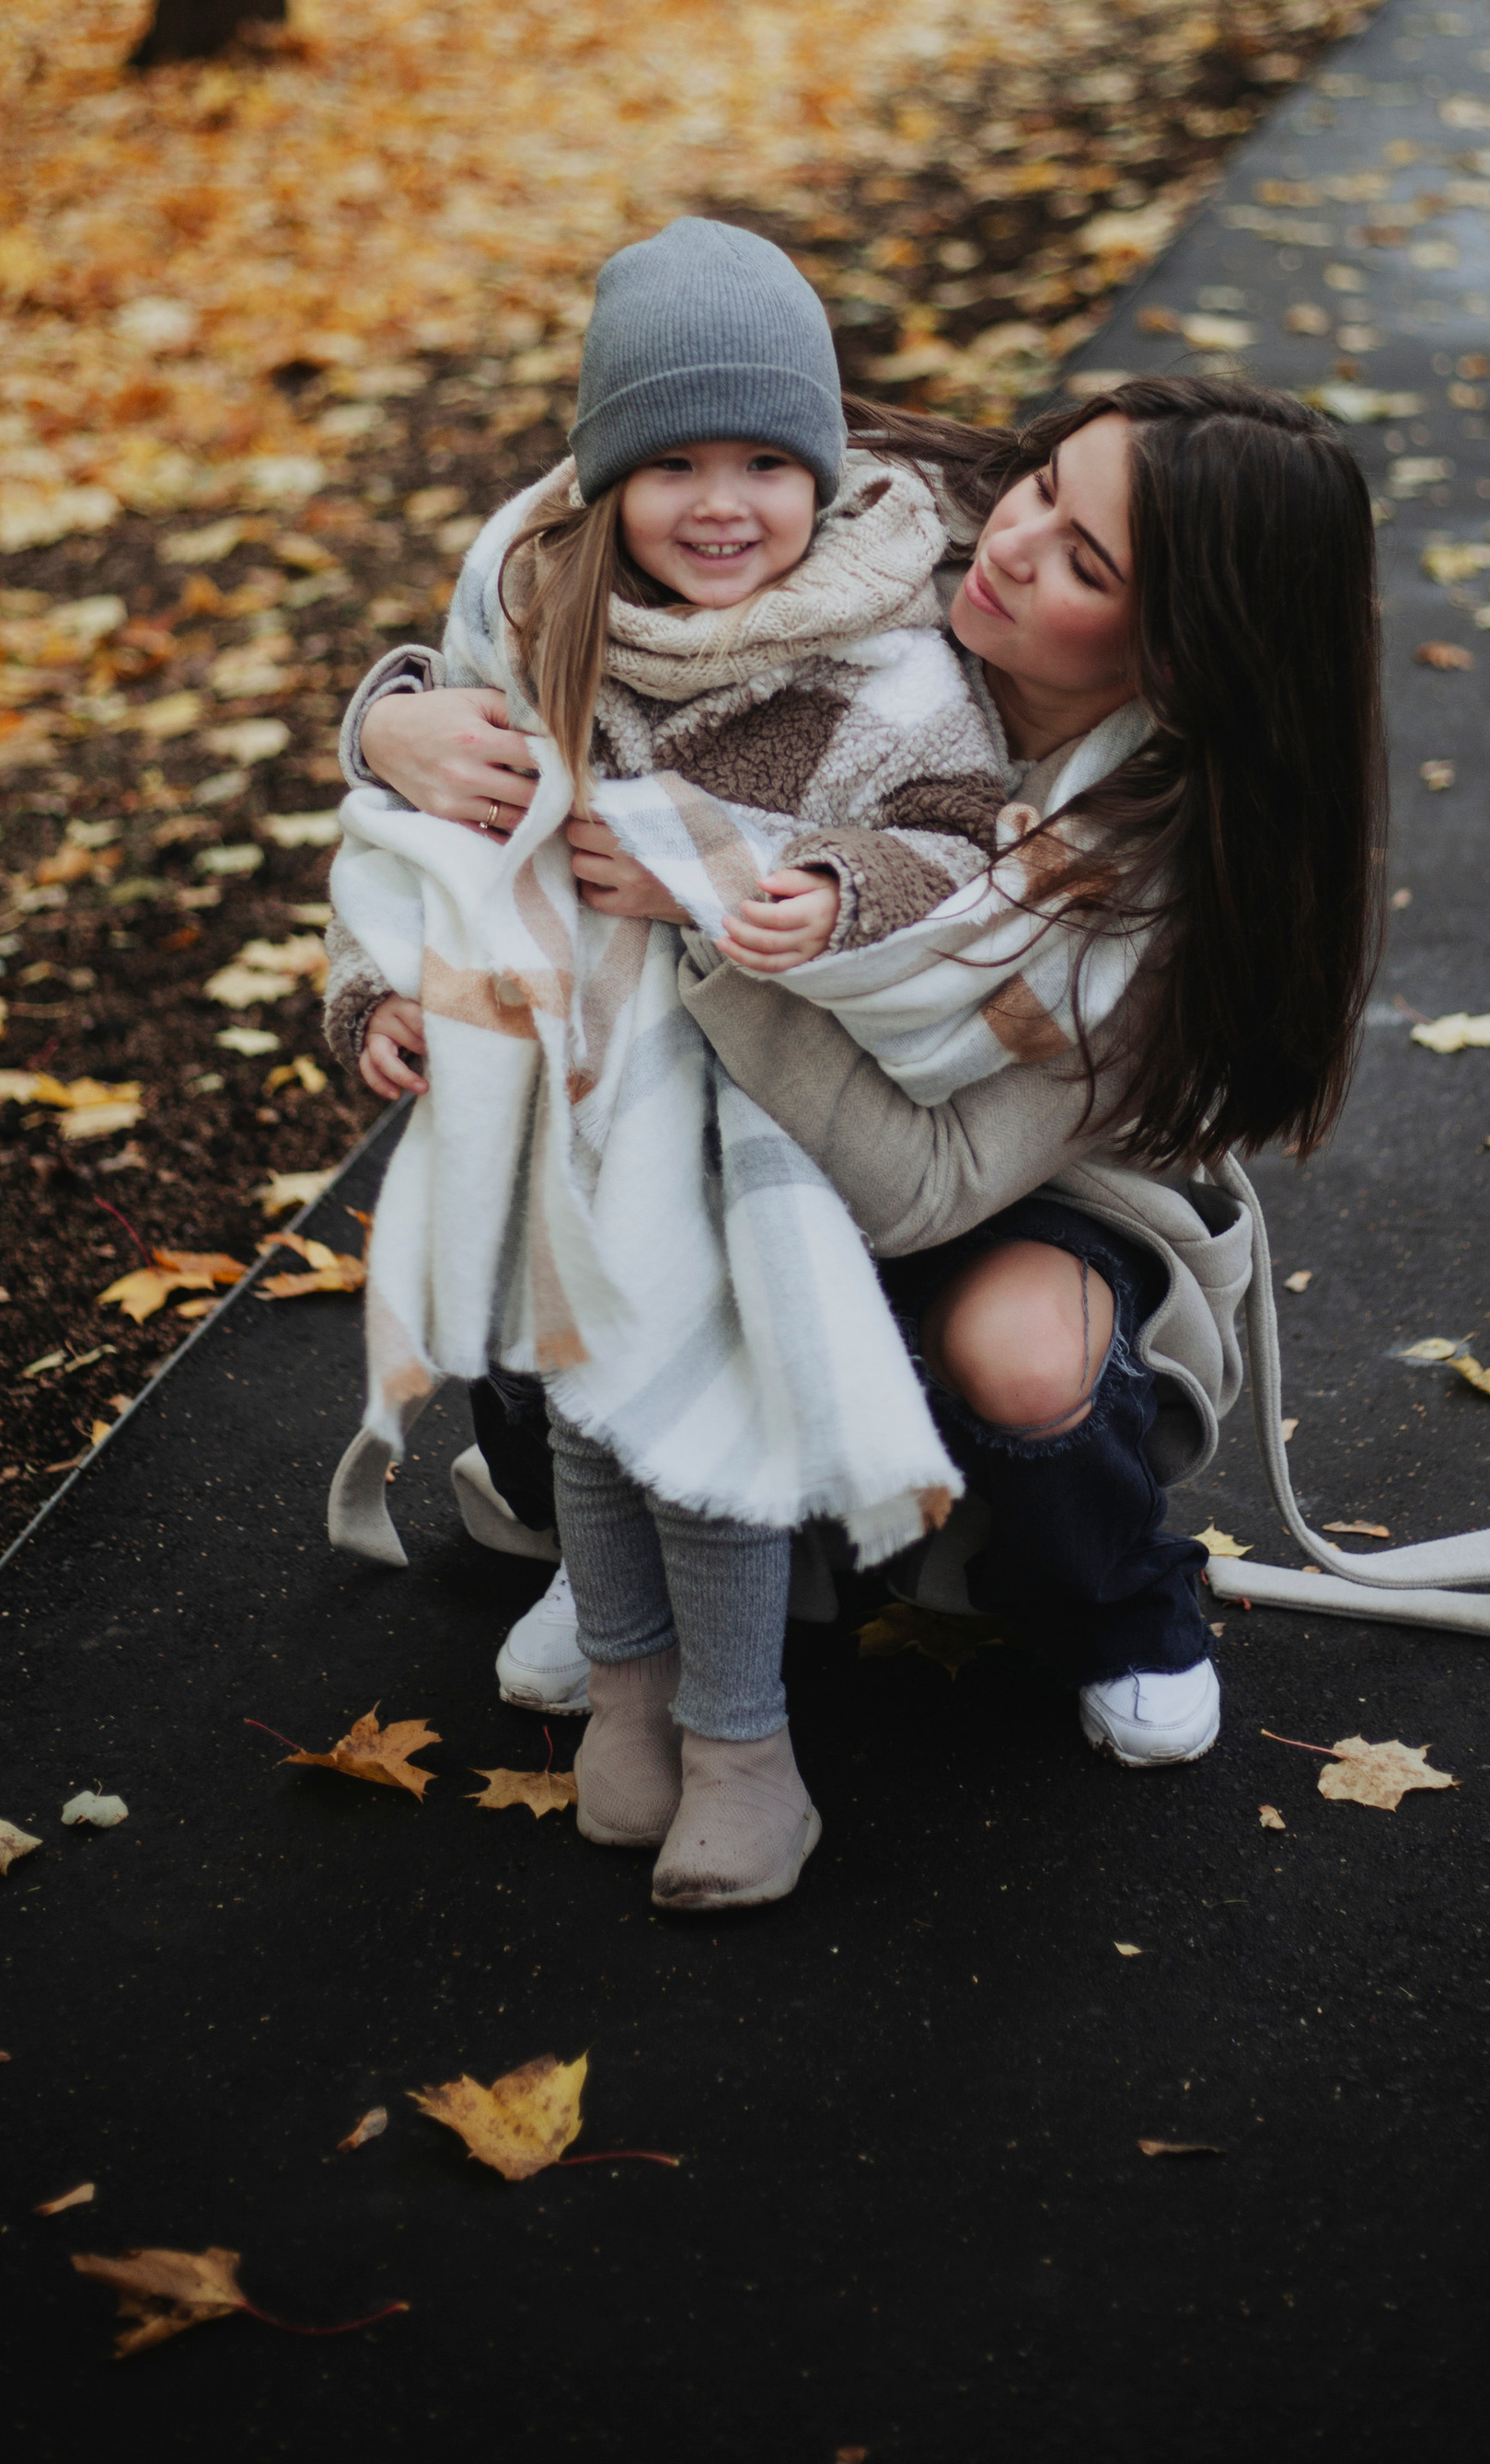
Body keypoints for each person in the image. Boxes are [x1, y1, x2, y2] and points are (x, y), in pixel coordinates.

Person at [340, 373, 1387, 1778]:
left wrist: (709, 912)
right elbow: (572, 577)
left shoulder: (1151, 878)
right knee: (547, 1240)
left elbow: (921, 1192)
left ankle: (1115, 1597)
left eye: (1085, 562)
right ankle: (653, 1555)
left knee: (1020, 1360)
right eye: (1039, 488)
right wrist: (395, 725)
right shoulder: (871, 548)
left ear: (1190, 656)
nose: (1011, 543)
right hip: (687, 1108)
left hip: (967, 1185)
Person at [326, 217, 1037, 1914]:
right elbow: (419, 842)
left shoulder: (887, 656)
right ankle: (631, 1710)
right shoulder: (547, 619)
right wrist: (379, 996)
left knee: (702, 1413)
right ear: (605, 480)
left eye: (764, 463)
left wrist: (818, 884)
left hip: (768, 1094)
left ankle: (745, 1753)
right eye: (672, 465)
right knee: (586, 1403)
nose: (722, 505)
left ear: (823, 466)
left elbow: (961, 839)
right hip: (577, 1082)